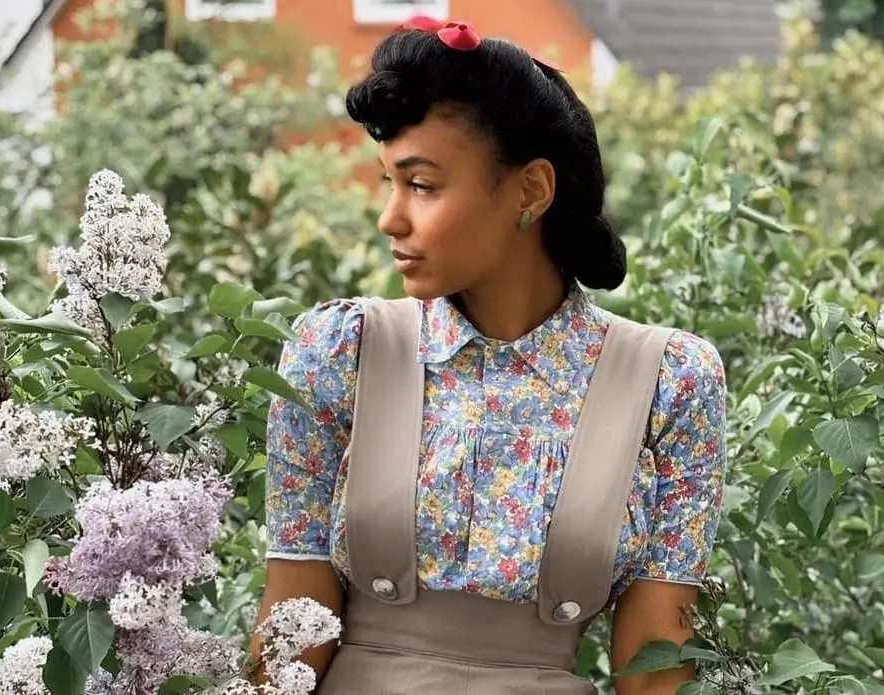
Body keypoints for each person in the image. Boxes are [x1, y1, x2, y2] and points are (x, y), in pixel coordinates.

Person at [254, 15, 727, 695]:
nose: (390, 216)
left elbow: (657, 665)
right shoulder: (336, 354)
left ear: (531, 191)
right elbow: (292, 628)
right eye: (388, 181)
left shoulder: (669, 382)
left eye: (420, 184)